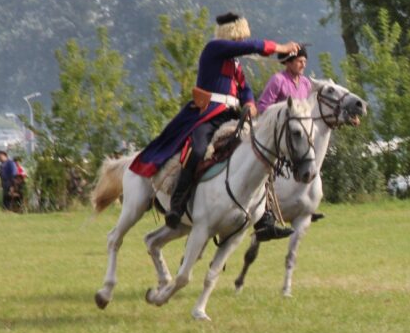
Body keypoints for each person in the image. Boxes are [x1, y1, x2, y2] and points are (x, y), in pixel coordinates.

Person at [128, 12, 300, 238]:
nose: (242, 41)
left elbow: (245, 88)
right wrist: (281, 47)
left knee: (258, 153)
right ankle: (178, 205)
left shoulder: (235, 64)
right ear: (232, 34)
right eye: (240, 37)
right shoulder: (215, 48)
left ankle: (263, 217)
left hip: (231, 116)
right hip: (207, 116)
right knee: (197, 150)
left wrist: (249, 102)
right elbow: (253, 46)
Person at [255, 44, 314, 234]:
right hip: (275, 135)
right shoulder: (278, 80)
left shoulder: (305, 84)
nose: (303, 65)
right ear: (288, 62)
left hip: (296, 137)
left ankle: (305, 206)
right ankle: (264, 214)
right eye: (299, 61)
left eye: (305, 61)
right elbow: (263, 106)